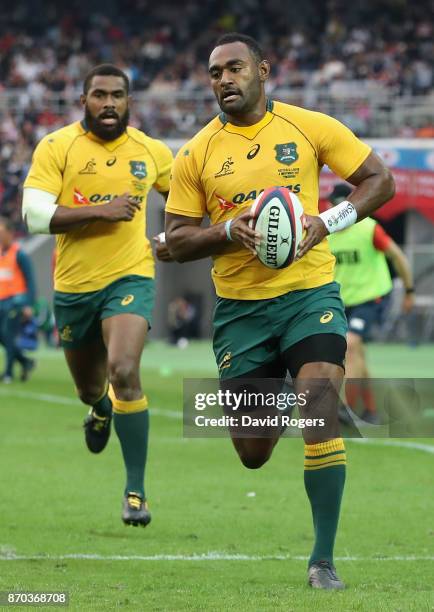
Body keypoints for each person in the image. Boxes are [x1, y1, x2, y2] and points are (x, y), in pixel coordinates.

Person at [165, 33, 395, 589]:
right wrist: (225, 231)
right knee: (252, 452)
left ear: (263, 71)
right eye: (216, 72)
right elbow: (175, 238)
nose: (224, 79)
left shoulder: (308, 127)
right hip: (241, 312)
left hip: (308, 295)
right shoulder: (195, 153)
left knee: (318, 405)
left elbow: (379, 181)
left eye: (235, 68)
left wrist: (326, 222)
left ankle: (323, 561)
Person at [22, 64, 173, 527]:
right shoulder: (57, 146)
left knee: (124, 369)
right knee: (91, 386)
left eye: (118, 96)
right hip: (73, 289)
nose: (109, 103)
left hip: (130, 278)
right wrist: (101, 211)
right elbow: (34, 214)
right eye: (100, 95)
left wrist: (180, 235)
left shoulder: (151, 151)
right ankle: (100, 407)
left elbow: (191, 197)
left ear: (130, 101)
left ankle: (135, 491)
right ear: (83, 100)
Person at [327, 183, 414, 423]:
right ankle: (371, 410)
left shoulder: (369, 229)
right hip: (343, 302)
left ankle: (345, 407)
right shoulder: (325, 234)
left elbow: (398, 257)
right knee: (357, 353)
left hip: (372, 297)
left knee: (351, 344)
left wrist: (409, 290)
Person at [0, 216, 37, 383]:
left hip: (15, 302)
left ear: (10, 233)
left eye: (2, 232)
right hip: (1, 301)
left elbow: (30, 280)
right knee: (3, 337)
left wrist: (28, 304)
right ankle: (25, 361)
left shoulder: (19, 254)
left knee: (8, 335)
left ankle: (8, 373)